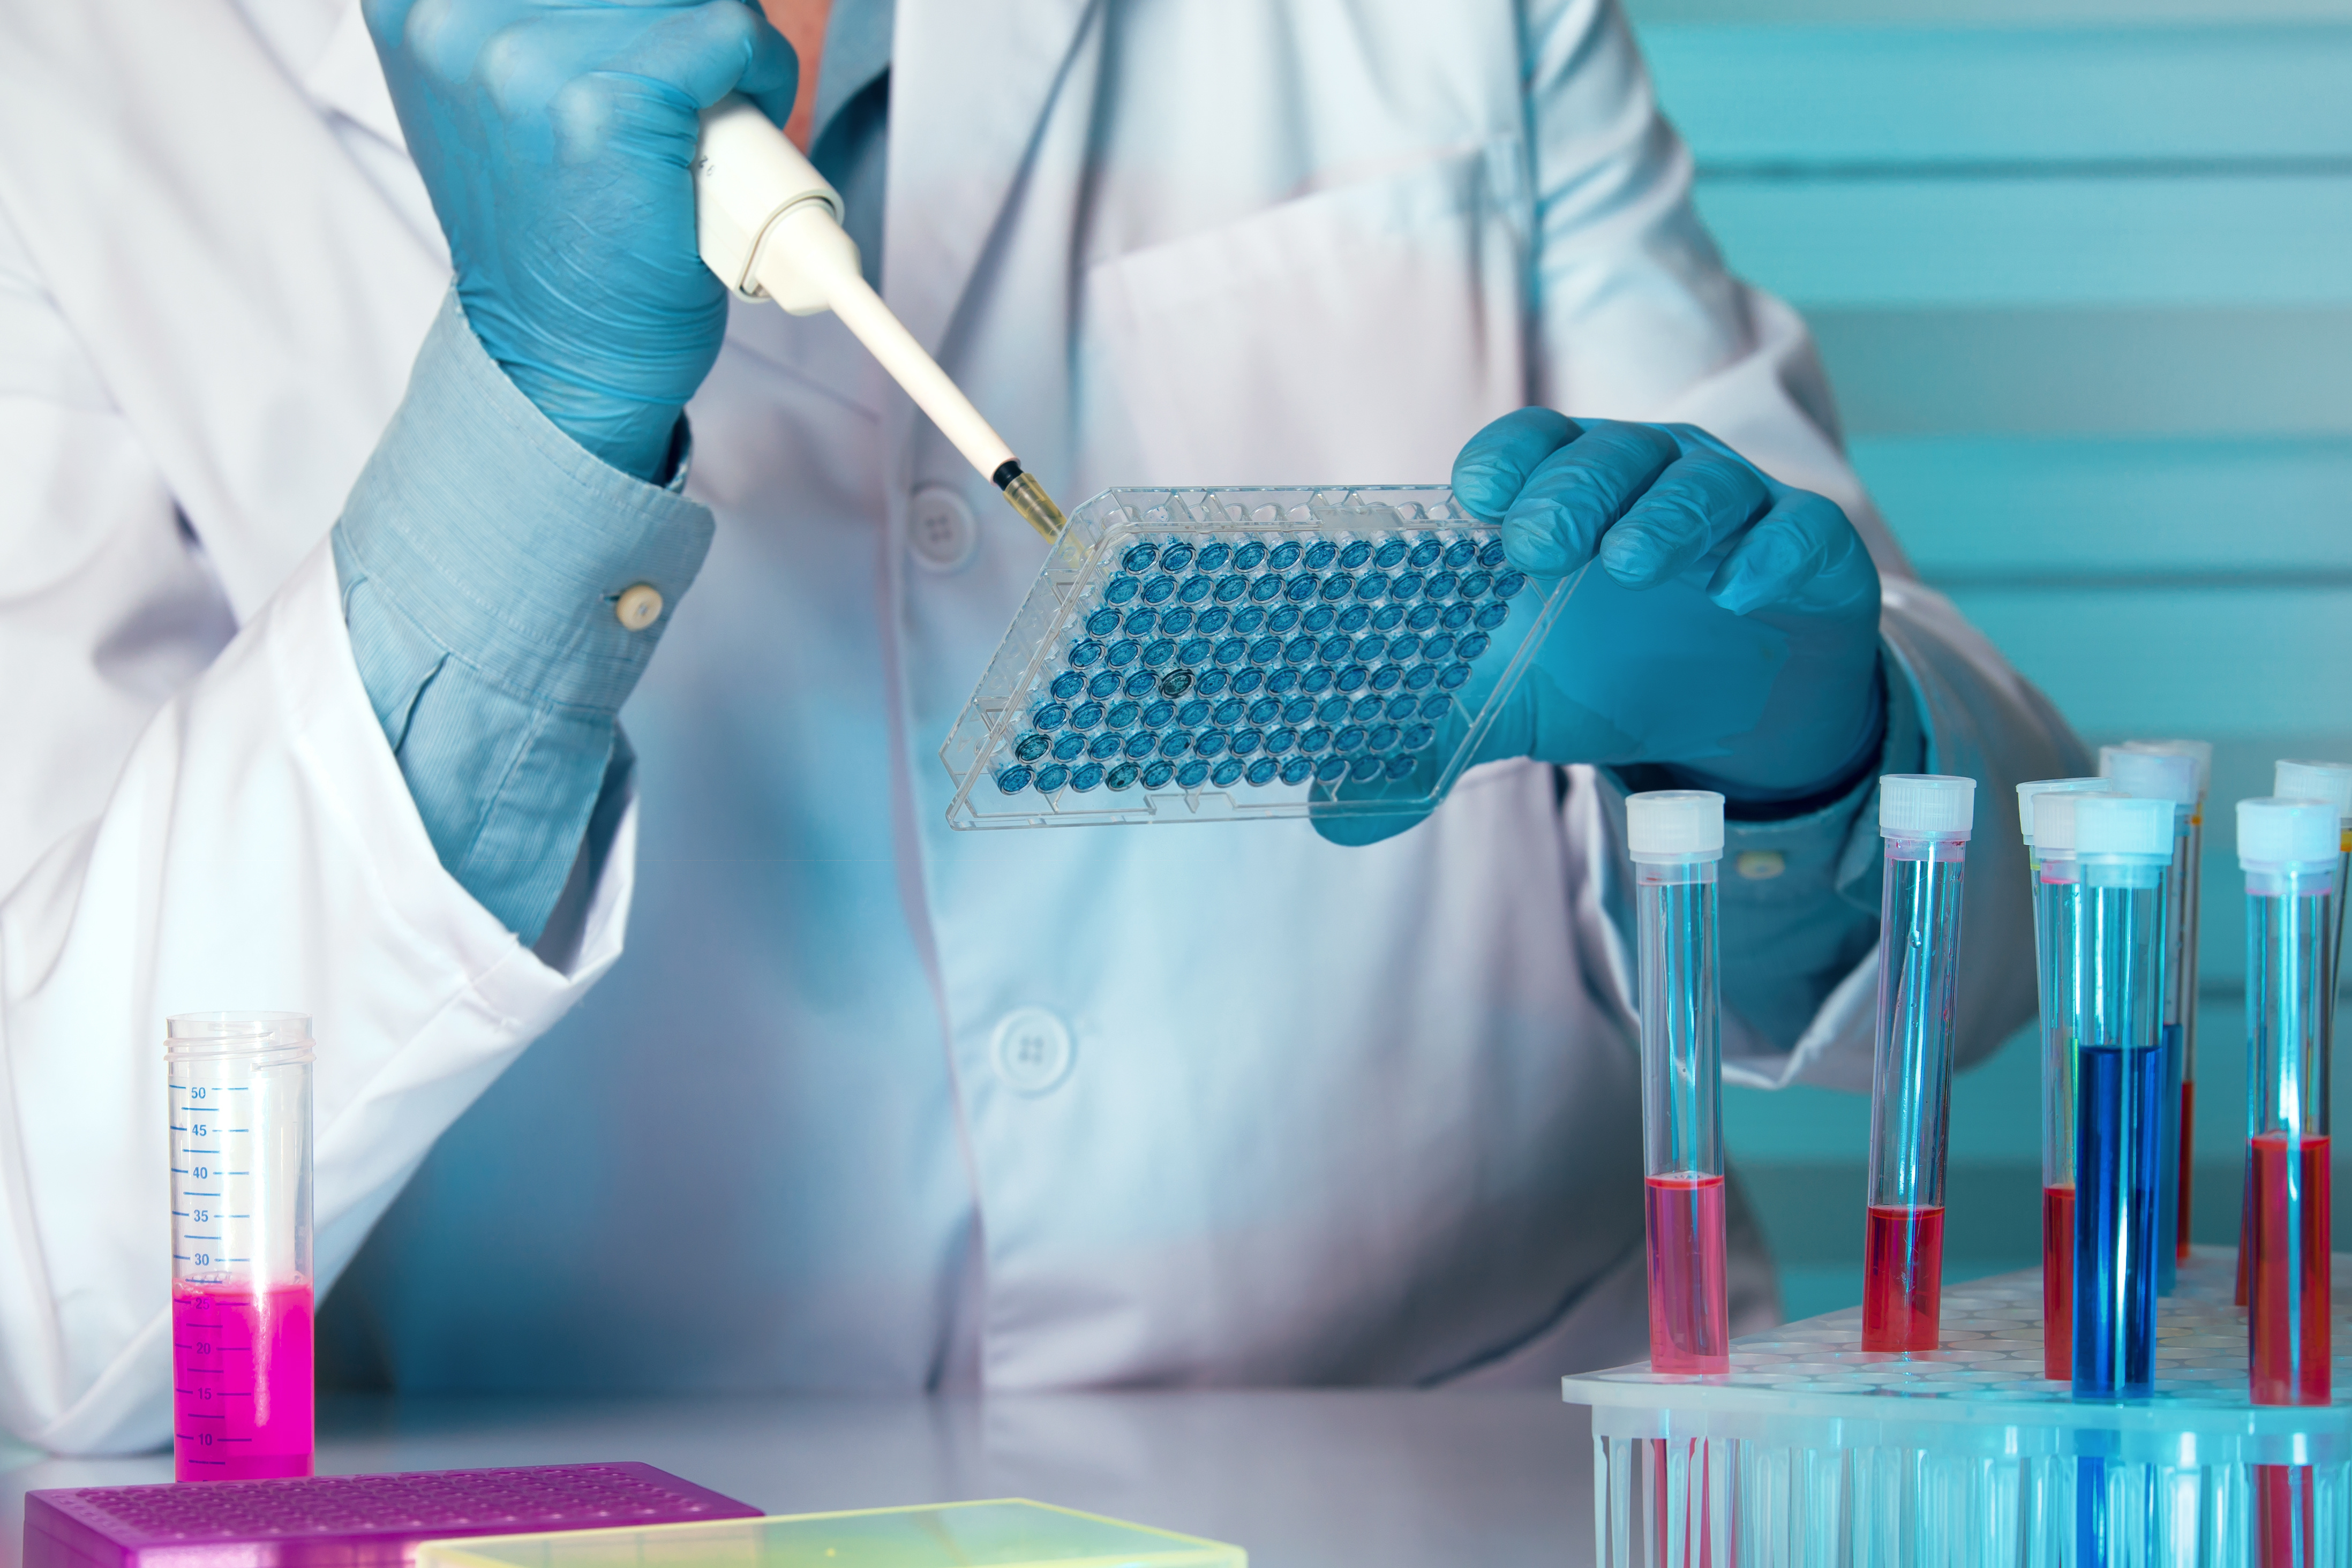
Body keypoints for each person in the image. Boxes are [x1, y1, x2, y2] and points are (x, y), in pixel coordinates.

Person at [0, 0, 2081, 1452]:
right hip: (599, 1522)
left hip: (1459, 1486)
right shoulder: (75, 90)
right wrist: (527, 410)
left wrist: (1813, 777)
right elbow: (51, 1296)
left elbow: (1980, 946)